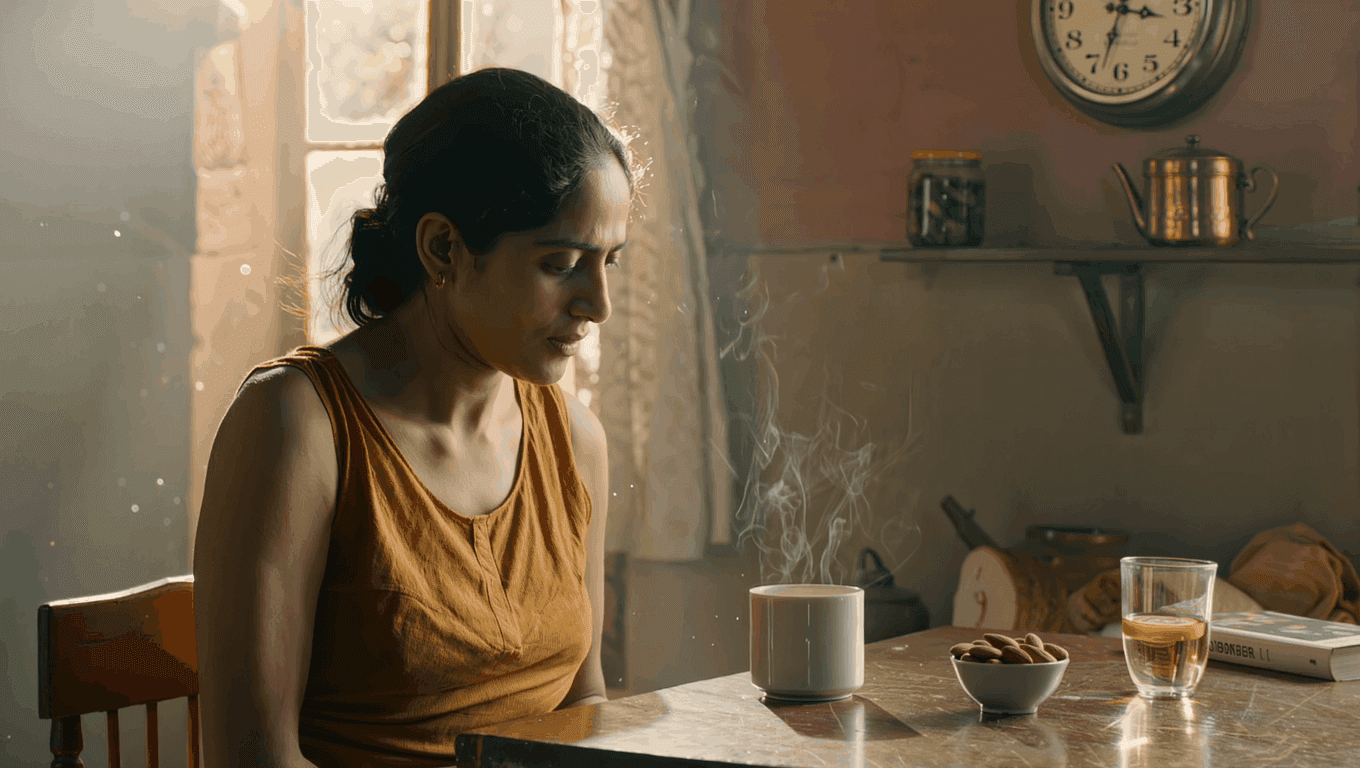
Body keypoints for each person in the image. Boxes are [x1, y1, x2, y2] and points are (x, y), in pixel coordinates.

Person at [193, 67, 635, 768]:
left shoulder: (575, 440)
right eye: (562, 264)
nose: (597, 304)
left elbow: (582, 708)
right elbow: (254, 760)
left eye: (610, 260)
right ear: (443, 250)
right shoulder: (296, 427)